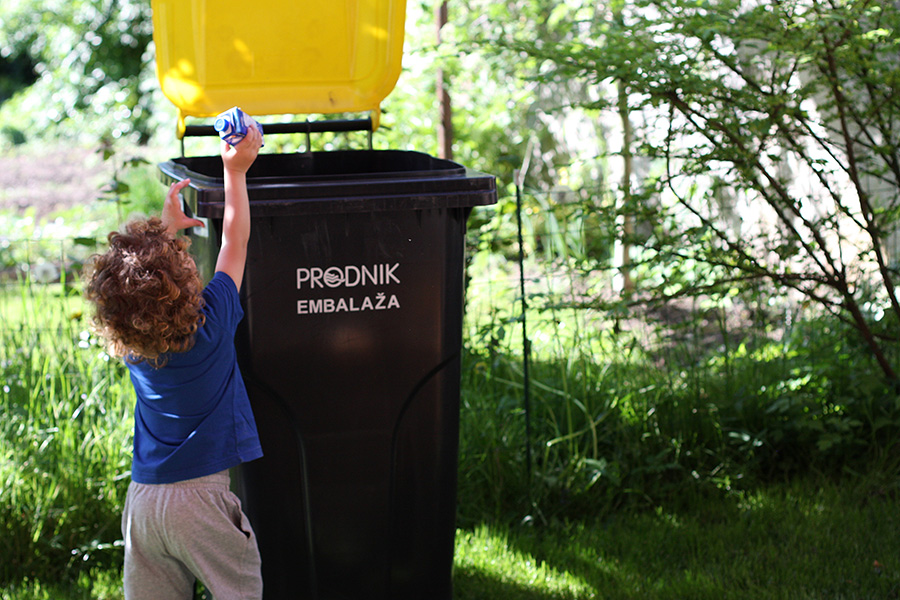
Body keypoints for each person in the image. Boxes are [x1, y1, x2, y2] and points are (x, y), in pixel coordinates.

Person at [84, 125, 265, 599]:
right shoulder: (212, 325)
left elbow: (140, 291)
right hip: (200, 501)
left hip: (143, 502)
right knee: (239, 589)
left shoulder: (135, 348)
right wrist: (235, 171)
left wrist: (164, 231)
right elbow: (234, 243)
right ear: (183, 280)